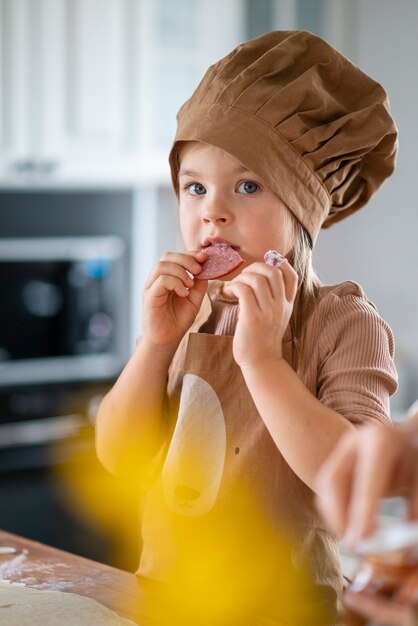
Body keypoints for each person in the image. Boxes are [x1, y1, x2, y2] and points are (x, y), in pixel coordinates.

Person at [95, 31, 398, 625]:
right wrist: (155, 345)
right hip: (169, 596)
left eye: (249, 185)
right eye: (195, 187)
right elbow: (118, 455)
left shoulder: (345, 323)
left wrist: (262, 361)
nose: (212, 210)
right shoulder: (185, 312)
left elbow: (357, 477)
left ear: (301, 211)